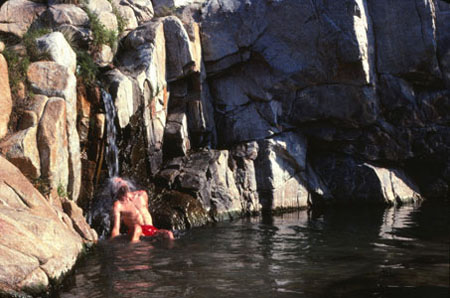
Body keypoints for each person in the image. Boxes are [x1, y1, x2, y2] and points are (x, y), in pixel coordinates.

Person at [110, 177, 174, 242]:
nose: (121, 183)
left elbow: (146, 211)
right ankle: (134, 249)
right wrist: (113, 243)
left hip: (151, 229)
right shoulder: (118, 205)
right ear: (115, 189)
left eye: (121, 181)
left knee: (169, 234)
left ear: (126, 183)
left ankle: (171, 250)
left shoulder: (142, 194)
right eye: (118, 183)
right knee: (137, 229)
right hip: (137, 231)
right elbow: (116, 229)